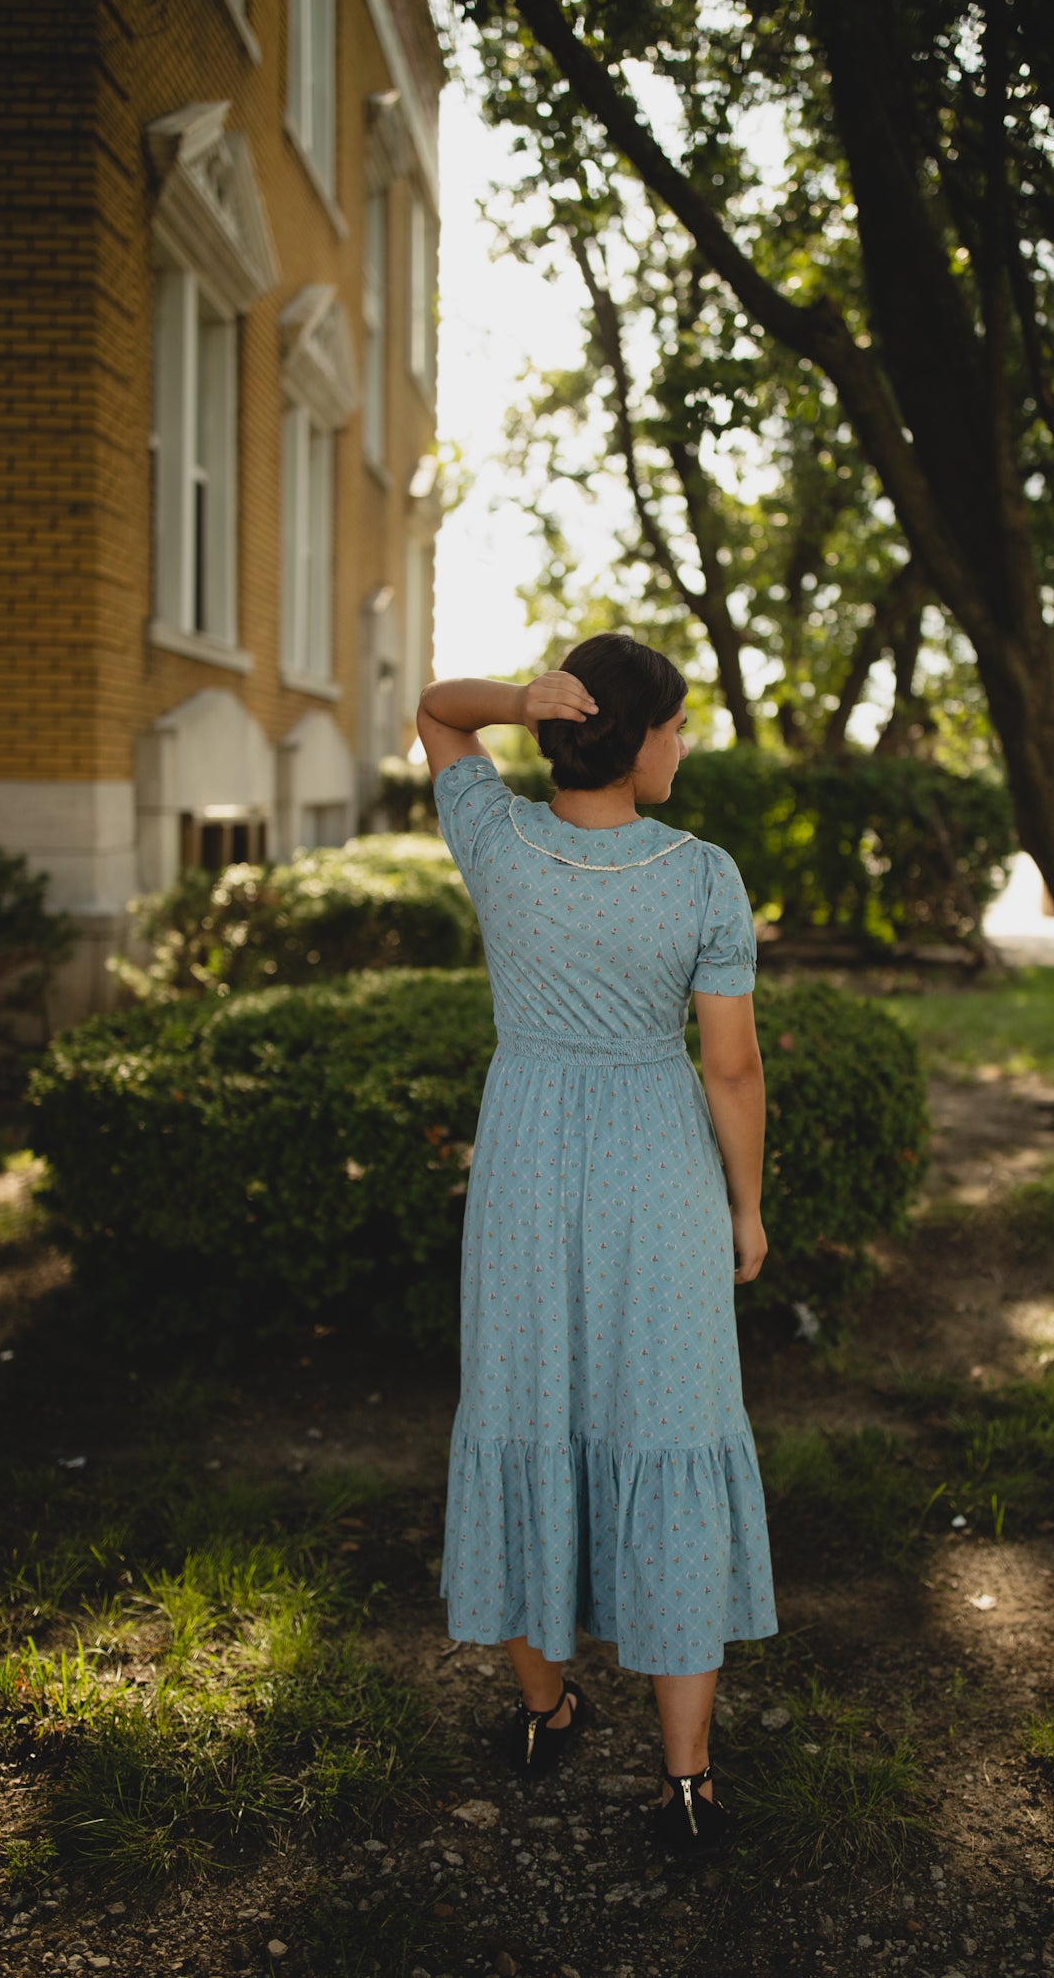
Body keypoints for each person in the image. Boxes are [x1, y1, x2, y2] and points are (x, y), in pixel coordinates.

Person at [415, 633, 777, 1860]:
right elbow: (729, 1064)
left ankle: (543, 1707)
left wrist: (515, 701)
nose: (682, 743)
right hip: (656, 1175)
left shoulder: (497, 841)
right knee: (670, 1427)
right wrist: (748, 1206)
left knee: (527, 1411)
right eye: (676, 723)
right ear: (640, 736)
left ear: (568, 725)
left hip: (523, 1170)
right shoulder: (702, 875)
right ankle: (685, 1778)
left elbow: (435, 712)